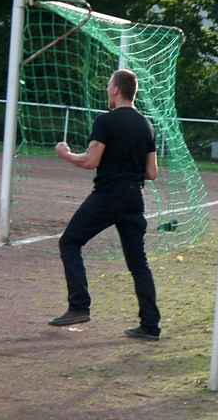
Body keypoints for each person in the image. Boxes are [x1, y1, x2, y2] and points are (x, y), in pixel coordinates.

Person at [49, 69, 162, 341]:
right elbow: (152, 172)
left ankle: (79, 306)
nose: (107, 90)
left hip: (109, 194)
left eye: (108, 86)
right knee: (138, 263)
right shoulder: (146, 124)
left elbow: (91, 161)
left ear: (115, 90)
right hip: (134, 196)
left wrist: (65, 154)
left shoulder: (106, 121)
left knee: (70, 242)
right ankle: (150, 325)